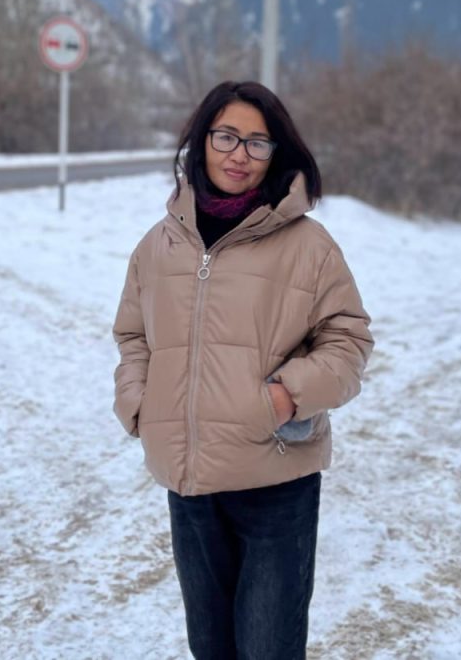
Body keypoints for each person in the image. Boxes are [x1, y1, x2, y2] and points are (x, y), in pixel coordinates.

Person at [112, 80, 373, 659]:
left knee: (267, 649)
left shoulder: (309, 246)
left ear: (277, 154)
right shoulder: (158, 246)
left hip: (274, 482)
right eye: (226, 136)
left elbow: (348, 339)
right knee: (211, 648)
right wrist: (139, 404)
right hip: (190, 486)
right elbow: (133, 336)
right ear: (201, 141)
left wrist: (282, 400)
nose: (240, 154)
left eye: (258, 142)